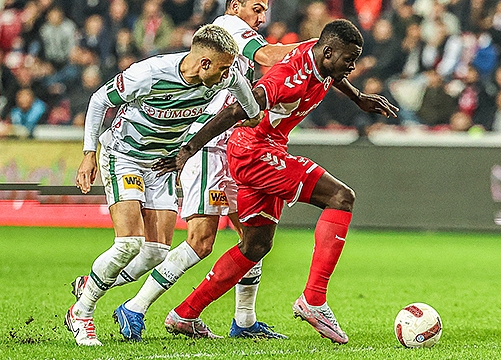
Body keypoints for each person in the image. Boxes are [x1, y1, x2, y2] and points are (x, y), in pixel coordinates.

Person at [153, 19, 399, 342]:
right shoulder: (289, 76)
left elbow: (334, 77)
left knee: (256, 245)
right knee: (341, 197)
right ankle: (314, 300)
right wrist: (187, 150)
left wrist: (358, 98)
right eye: (348, 60)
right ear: (327, 52)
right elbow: (237, 110)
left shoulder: (322, 62)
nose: (352, 67)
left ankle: (184, 314)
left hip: (264, 148)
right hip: (254, 151)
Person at [102, 0, 303, 342]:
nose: (263, 17)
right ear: (235, 5)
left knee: (254, 237)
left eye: (266, 9)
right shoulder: (230, 26)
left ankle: (244, 319)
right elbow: (270, 56)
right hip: (208, 145)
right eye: (256, 7)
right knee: (200, 241)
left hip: (234, 146)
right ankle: (135, 307)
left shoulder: (240, 34)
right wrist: (318, 47)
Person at [65, 24, 264, 346]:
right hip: (124, 155)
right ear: (204, 64)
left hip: (162, 164)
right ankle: (82, 312)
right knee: (129, 243)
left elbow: (250, 109)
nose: (229, 75)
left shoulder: (226, 77)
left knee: (156, 252)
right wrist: (89, 154)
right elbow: (100, 100)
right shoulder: (149, 73)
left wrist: (252, 114)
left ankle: (90, 284)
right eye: (225, 67)